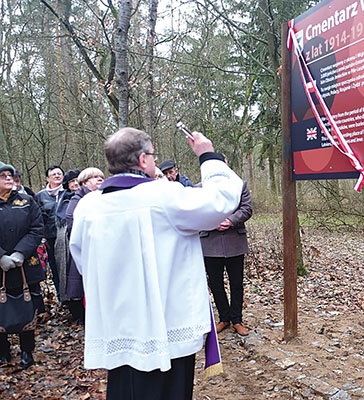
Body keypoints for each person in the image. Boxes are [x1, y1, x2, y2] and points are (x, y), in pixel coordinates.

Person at [69, 127, 243, 399]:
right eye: (152, 155)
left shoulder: (88, 206)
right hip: (164, 320)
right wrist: (208, 155)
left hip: (118, 321)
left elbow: (82, 260)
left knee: (124, 387)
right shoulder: (165, 197)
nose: (153, 160)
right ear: (142, 160)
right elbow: (220, 201)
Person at [0, 161, 45, 368]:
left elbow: (37, 228)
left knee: (28, 307)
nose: (9, 178)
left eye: (10, 175)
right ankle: (3, 351)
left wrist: (20, 252)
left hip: (25, 266)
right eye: (3, 176)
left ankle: (27, 351)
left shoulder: (27, 201)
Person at [200, 173, 253, 336]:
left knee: (236, 283)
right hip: (210, 242)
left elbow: (247, 209)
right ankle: (224, 318)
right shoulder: (201, 187)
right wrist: (211, 221)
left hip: (234, 242)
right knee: (215, 283)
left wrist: (230, 221)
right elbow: (195, 209)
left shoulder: (239, 185)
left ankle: (237, 320)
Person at [62, 167, 104, 325]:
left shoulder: (105, 196)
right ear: (85, 182)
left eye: (101, 176)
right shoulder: (78, 198)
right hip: (86, 247)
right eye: (95, 177)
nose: (100, 179)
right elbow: (71, 220)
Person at [35, 164, 65, 299]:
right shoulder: (41, 196)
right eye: (54, 174)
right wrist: (42, 237)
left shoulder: (68, 192)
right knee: (54, 267)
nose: (57, 176)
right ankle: (60, 295)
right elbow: (37, 219)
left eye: (59, 173)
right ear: (47, 179)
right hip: (50, 237)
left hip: (66, 236)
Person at [54, 169, 81, 307]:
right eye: (72, 181)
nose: (75, 183)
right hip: (65, 240)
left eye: (77, 180)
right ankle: (71, 303)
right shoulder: (63, 200)